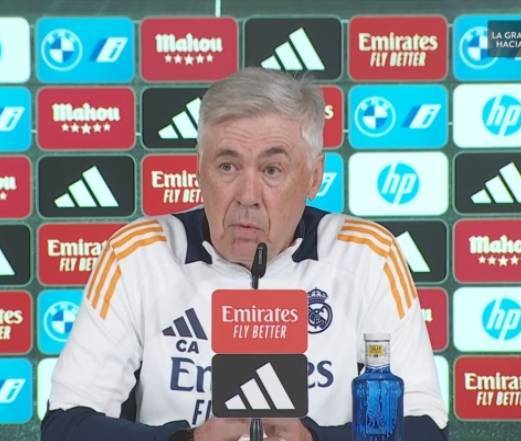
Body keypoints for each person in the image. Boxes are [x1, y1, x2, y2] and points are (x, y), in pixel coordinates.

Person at [42, 67, 448, 441]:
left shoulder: (367, 255)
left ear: (314, 176)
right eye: (227, 167)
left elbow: (426, 430)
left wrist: (315, 440)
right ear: (199, 169)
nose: (248, 196)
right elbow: (65, 427)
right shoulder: (136, 255)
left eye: (272, 170)